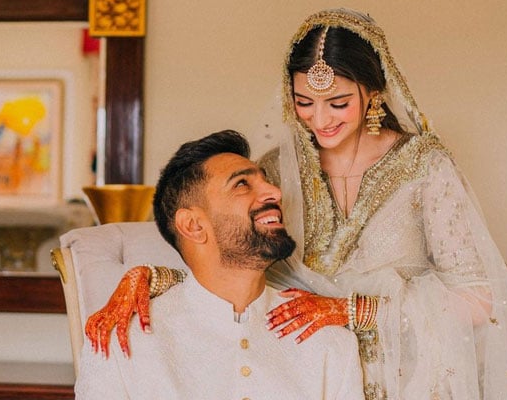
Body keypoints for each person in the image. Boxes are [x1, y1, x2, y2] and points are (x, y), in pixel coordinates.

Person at [85, 8, 507, 400]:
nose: (320, 119)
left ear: (373, 92)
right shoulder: (277, 169)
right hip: (302, 368)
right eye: (304, 102)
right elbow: (236, 255)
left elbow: (480, 301)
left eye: (338, 102)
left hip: (407, 377)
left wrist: (352, 311)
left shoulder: (426, 167)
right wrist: (147, 276)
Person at [76, 130, 365, 399]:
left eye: (266, 181)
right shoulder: (118, 340)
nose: (275, 193)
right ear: (193, 225)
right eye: (242, 184)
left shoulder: (330, 343)